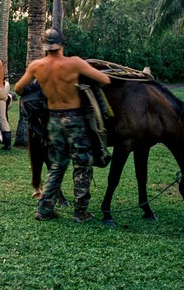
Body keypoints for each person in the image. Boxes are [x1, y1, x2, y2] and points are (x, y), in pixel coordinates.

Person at [14, 28, 111, 223]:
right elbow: (105, 79)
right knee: (82, 163)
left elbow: (18, 88)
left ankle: (44, 209)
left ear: (44, 46)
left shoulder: (36, 66)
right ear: (61, 44)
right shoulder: (74, 63)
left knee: (57, 165)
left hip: (54, 121)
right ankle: (80, 212)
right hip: (74, 119)